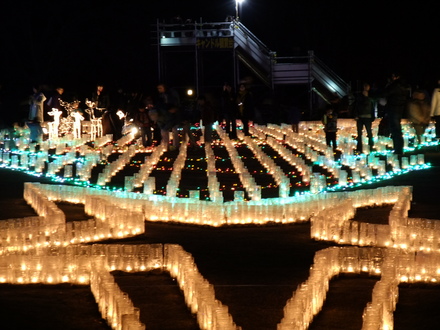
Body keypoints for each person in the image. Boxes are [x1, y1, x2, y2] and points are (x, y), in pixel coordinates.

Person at [381, 73, 411, 155]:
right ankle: (398, 149)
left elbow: (384, 93)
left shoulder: (395, 85)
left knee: (395, 130)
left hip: (393, 109)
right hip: (399, 109)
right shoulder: (403, 86)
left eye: (393, 76)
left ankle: (398, 150)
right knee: (397, 130)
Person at [353, 82, 375, 153]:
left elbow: (372, 107)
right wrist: (356, 115)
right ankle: (360, 147)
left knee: (369, 132)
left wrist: (373, 116)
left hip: (367, 117)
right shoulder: (360, 97)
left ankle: (370, 146)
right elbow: (356, 106)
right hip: (361, 117)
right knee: (360, 133)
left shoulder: (370, 97)